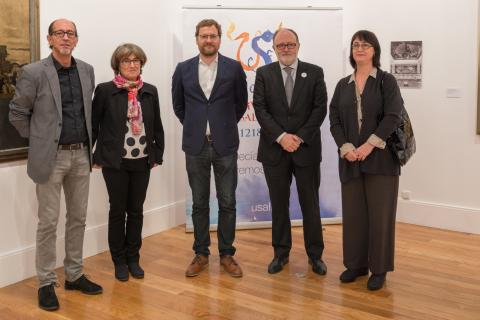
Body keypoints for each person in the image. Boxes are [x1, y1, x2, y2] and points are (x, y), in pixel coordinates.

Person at [8, 19, 102, 311]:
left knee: (78, 218)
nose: (65, 37)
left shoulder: (87, 71)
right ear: (49, 39)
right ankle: (46, 283)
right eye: (59, 33)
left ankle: (74, 275)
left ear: (76, 39)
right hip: (51, 158)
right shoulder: (33, 72)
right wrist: (40, 140)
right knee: (48, 223)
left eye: (70, 33)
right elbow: (17, 113)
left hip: (81, 156)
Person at [172, 19, 248, 278]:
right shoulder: (183, 69)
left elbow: (240, 104)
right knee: (199, 202)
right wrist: (196, 127)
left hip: (225, 144)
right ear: (196, 39)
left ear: (219, 39)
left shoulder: (233, 68)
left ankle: (227, 254)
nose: (208, 40)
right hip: (195, 146)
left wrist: (221, 126)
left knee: (227, 201)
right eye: (204, 36)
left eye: (213, 36)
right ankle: (201, 253)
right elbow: (178, 106)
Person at [329, 30, 403, 290]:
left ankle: (379, 269)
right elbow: (335, 120)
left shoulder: (386, 80)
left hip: (381, 160)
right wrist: (347, 147)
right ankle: (356, 265)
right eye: (355, 45)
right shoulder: (342, 85)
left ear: (375, 51)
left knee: (380, 216)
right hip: (350, 159)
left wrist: (369, 145)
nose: (359, 48)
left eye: (365, 45)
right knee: (354, 215)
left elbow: (393, 116)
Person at [253, 28, 328, 276]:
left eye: (290, 44)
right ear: (274, 48)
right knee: (279, 204)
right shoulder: (264, 73)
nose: (286, 48)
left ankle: (315, 255)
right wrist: (282, 137)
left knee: (311, 204)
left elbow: (319, 109)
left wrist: (299, 137)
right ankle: (280, 253)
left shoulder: (315, 72)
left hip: (305, 149)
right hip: (275, 150)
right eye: (280, 45)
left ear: (298, 45)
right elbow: (261, 109)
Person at [92, 43, 164, 281]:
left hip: (143, 161)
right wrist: (95, 156)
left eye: (136, 61)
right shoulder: (104, 90)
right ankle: (119, 260)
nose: (132, 65)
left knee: (136, 210)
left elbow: (157, 126)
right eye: (126, 61)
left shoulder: (150, 91)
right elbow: (94, 126)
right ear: (118, 65)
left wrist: (157, 154)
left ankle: (134, 258)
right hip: (115, 162)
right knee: (117, 210)